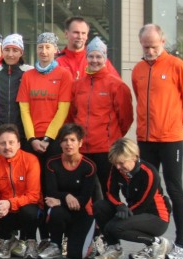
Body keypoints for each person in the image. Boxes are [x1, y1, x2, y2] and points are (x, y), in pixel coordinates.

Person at [131, 23, 183, 259]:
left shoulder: (176, 66)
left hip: (170, 139)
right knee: (149, 190)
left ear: (163, 41)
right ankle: (153, 243)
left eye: (153, 46)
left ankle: (181, 244)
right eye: (145, 46)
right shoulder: (138, 69)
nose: (149, 50)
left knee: (174, 188)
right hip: (146, 139)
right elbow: (140, 99)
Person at [93, 138, 173, 259]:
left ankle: (157, 242)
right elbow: (110, 193)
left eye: (121, 163)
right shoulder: (116, 169)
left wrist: (125, 213)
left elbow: (144, 203)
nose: (118, 167)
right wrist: (120, 206)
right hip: (133, 210)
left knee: (115, 227)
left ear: (134, 157)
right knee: (100, 206)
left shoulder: (149, 173)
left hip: (156, 216)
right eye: (116, 164)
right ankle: (114, 248)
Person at [69, 36, 133, 189]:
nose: (94, 60)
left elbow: (126, 118)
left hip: (106, 148)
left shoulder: (116, 85)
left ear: (105, 58)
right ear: (86, 57)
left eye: (99, 56)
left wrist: (112, 136)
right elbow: (72, 114)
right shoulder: (77, 85)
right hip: (82, 148)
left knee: (108, 189)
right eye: (91, 56)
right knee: (84, 190)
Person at [0, 124, 41, 259]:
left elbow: (33, 195)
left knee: (30, 210)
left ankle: (31, 242)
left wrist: (10, 203)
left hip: (23, 210)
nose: (7, 147)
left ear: (19, 144)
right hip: (3, 212)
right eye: (2, 143)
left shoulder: (31, 160)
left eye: (11, 143)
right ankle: (9, 239)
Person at [39, 124, 98, 259]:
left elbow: (83, 200)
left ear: (80, 143)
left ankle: (88, 242)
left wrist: (60, 200)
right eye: (65, 140)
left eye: (72, 140)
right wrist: (67, 196)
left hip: (82, 213)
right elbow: (51, 192)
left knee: (76, 256)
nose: (68, 144)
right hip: (62, 212)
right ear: (60, 143)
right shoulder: (51, 163)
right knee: (55, 211)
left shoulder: (89, 166)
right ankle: (55, 245)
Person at [18, 32, 74, 160]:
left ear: (55, 50)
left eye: (48, 47)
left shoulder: (64, 75)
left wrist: (47, 138)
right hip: (32, 138)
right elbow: (24, 110)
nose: (44, 51)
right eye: (40, 47)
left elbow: (63, 110)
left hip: (56, 138)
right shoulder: (27, 76)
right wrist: (31, 139)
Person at [0, 33, 33, 132]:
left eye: (15, 50)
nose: (10, 54)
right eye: (7, 50)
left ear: (21, 52)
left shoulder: (29, 71)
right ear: (2, 51)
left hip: (23, 130)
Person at [56, 16, 119, 81]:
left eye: (83, 33)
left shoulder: (98, 59)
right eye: (76, 32)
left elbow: (116, 84)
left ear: (87, 36)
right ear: (66, 34)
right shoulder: (57, 62)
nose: (80, 36)